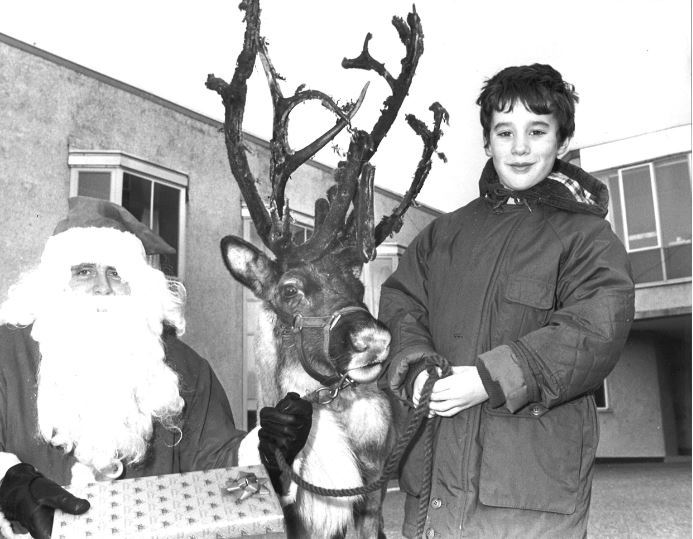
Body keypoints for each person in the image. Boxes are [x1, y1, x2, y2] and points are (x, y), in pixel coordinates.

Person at [379, 63, 635, 538]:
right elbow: (401, 304)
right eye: (505, 132)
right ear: (487, 142)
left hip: (528, 496)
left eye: (537, 132)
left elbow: (596, 330)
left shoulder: (588, 238)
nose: (519, 147)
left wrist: (490, 378)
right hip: (433, 490)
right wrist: (413, 365)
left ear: (561, 144)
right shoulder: (443, 235)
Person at [0, 196, 312, 538]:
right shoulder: (6, 352)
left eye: (116, 274)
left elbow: (218, 470)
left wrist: (264, 450)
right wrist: (10, 482)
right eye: (84, 271)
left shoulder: (185, 367)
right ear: (55, 283)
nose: (103, 288)